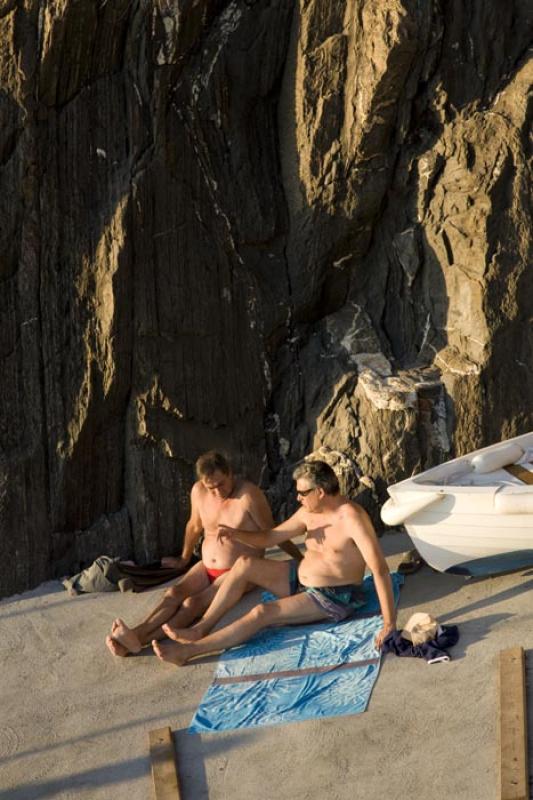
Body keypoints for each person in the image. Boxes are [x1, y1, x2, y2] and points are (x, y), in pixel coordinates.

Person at [152, 459, 396, 667]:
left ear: (320, 492)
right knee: (246, 563)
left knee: (262, 612)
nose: (298, 498)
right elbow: (270, 536)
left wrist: (389, 624)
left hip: (334, 596)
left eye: (302, 493)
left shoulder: (352, 518)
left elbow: (380, 569)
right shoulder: (308, 513)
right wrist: (236, 534)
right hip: (300, 579)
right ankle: (201, 627)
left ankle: (188, 651)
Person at [106, 451, 293, 656]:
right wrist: (184, 558)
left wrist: (302, 559)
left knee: (192, 603)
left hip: (237, 572)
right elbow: (194, 526)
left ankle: (138, 640)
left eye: (221, 484)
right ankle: (132, 637)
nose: (217, 492)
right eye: (211, 487)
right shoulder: (199, 492)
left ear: (230, 473)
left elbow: (272, 533)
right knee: (173, 594)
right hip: (206, 566)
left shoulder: (249, 495)